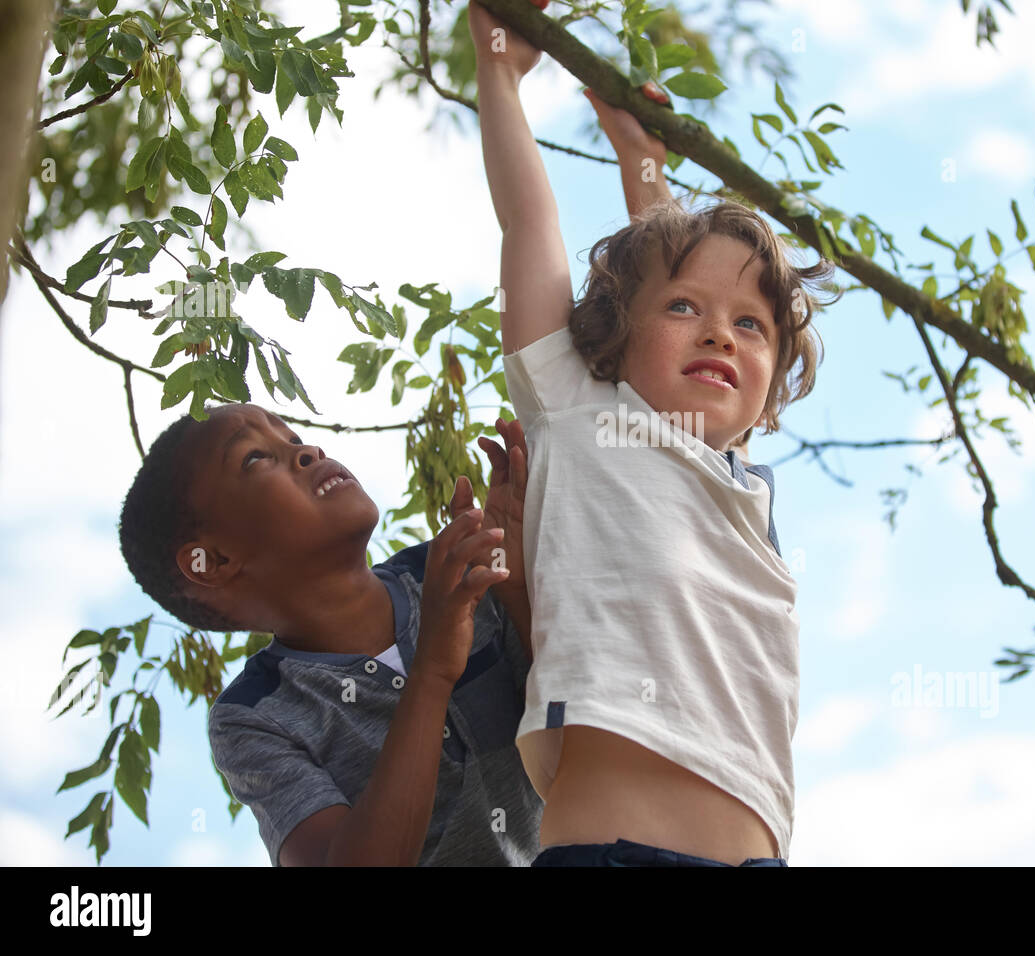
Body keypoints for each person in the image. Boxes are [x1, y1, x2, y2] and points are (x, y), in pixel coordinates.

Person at [470, 0, 837, 867]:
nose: (720, 333)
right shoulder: (580, 409)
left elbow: (677, 271)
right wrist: (499, 69)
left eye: (753, 326)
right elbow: (531, 224)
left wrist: (643, 157)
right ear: (611, 337)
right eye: (685, 312)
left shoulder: (740, 486)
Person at [118, 401, 537, 865]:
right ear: (213, 561)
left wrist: (517, 586)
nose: (308, 451)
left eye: (295, 440)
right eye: (256, 458)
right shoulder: (254, 717)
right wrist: (434, 670)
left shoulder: (455, 569)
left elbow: (587, 725)